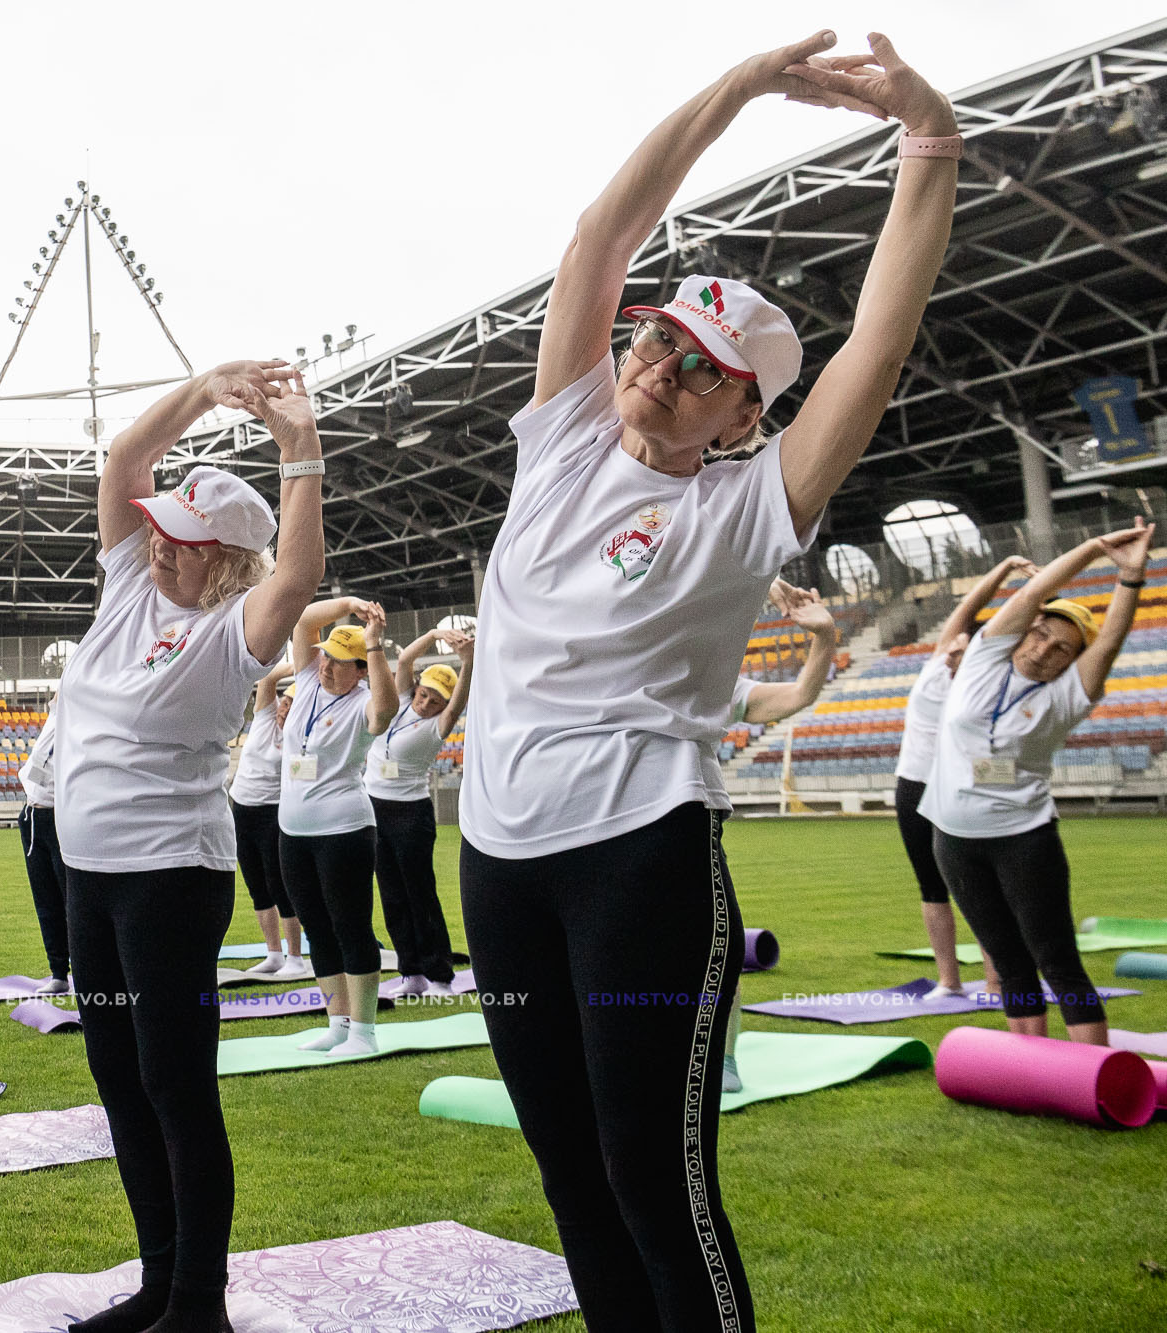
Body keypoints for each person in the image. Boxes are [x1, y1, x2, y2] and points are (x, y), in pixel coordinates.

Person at [457, 33, 960, 1330]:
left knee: (653, 1179)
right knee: (569, 1176)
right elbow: (599, 237)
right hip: (498, 861)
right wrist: (735, 90)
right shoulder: (564, 438)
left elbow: (878, 347)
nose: (662, 368)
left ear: (745, 417)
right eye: (661, 339)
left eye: (703, 372)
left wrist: (930, 146)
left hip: (641, 863)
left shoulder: (751, 505)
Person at [55, 361, 324, 1333]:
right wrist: (203, 389)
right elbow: (127, 455)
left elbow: (297, 575)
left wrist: (298, 447)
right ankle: (157, 1282)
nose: (160, 548)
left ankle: (197, 1303)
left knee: (173, 1085)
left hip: (170, 879)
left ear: (225, 561)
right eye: (160, 531)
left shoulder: (229, 632)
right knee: (119, 1082)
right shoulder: (132, 578)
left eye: (183, 542)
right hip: (89, 874)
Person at [921, 520, 1155, 1045]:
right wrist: (1093, 546)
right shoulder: (985, 656)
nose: (1044, 650)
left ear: (1072, 663)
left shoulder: (1069, 694)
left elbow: (1112, 637)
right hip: (954, 841)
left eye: (1061, 650)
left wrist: (1131, 577)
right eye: (1042, 634)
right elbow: (1032, 591)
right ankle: (1035, 1068)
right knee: (1006, 958)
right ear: (1026, 631)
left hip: (1023, 839)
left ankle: (1095, 1074)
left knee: (1056, 958)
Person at [714, 580, 839, 1092]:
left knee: (717, 952)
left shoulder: (720, 685)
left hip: (686, 824)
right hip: (595, 827)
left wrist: (825, 638)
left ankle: (719, 1058)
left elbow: (798, 694)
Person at [893, 557, 1032, 999]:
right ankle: (949, 982)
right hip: (912, 785)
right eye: (954, 643)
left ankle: (996, 980)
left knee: (979, 886)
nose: (953, 645)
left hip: (956, 791)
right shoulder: (936, 665)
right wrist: (1004, 568)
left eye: (963, 647)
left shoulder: (983, 692)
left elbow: (1001, 753)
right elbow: (968, 609)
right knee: (930, 886)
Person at [282, 600, 394, 1055]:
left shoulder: (366, 700)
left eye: (339, 661)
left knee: (350, 927)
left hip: (343, 831)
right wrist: (347, 604)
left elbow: (385, 711)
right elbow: (304, 618)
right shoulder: (308, 679)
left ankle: (364, 1032)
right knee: (317, 929)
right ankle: (337, 1022)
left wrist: (375, 646)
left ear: (360, 671)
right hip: (293, 831)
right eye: (325, 655)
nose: (326, 665)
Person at [367, 625, 475, 999]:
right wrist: (433, 633)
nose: (426, 703)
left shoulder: (438, 726)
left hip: (410, 815)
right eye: (425, 694)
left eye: (436, 701)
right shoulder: (398, 702)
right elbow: (407, 659)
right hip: (374, 810)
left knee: (420, 894)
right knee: (392, 895)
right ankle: (410, 973)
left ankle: (441, 976)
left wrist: (467, 661)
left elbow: (459, 699)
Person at [227, 660, 308, 980]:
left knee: (280, 885)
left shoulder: (301, 740)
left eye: (293, 706)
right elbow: (269, 677)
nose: (284, 709)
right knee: (257, 886)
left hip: (272, 814)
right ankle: (273, 954)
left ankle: (296, 957)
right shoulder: (263, 717)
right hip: (242, 809)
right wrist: (302, 666)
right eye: (285, 702)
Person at [17, 693, 71, 995]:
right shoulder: (54, 717)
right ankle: (58, 971)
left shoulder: (79, 720)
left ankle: (90, 973)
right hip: (33, 815)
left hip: (61, 816)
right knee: (46, 902)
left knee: (72, 903)